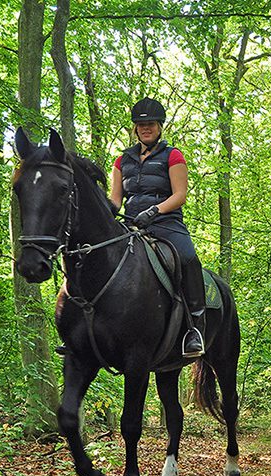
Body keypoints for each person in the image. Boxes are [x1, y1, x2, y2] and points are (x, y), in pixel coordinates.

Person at [110, 97, 206, 358]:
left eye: (150, 124)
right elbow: (116, 199)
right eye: (141, 125)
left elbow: (180, 195)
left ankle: (195, 329)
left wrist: (154, 211)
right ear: (135, 128)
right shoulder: (122, 161)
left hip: (165, 222)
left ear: (160, 126)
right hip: (131, 225)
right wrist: (103, 211)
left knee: (188, 258)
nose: (145, 128)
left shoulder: (172, 155)